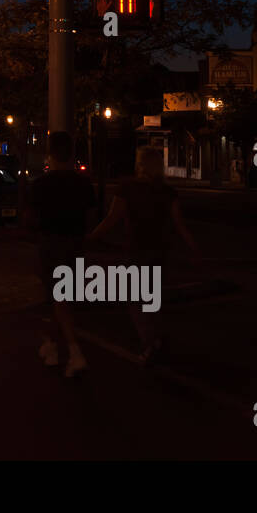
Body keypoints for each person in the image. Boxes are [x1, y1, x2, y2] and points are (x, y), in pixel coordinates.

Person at [88, 145, 202, 364]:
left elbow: (112, 219)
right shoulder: (167, 192)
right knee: (152, 299)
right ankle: (156, 338)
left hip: (137, 249)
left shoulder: (127, 188)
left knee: (134, 299)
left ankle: (150, 342)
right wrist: (193, 247)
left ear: (141, 164)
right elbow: (179, 225)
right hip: (160, 250)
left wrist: (92, 237)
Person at [27, 130, 96, 378]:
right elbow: (90, 217)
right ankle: (52, 345)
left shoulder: (41, 185)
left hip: (50, 244)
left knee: (57, 298)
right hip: (75, 244)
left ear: (50, 153)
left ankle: (74, 351)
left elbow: (31, 219)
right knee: (63, 299)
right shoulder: (83, 183)